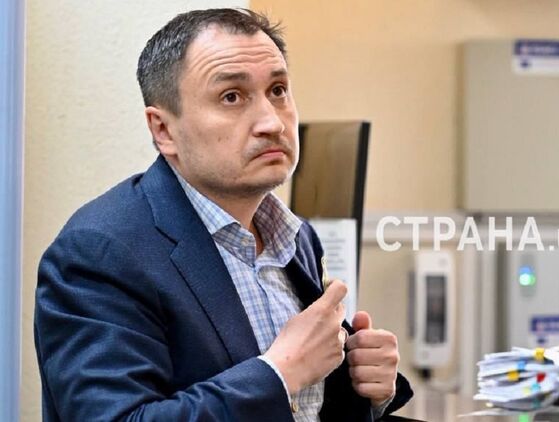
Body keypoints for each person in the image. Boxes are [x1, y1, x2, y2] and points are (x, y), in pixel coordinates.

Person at [34, 8, 412, 421]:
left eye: (278, 90)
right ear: (163, 130)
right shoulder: (98, 252)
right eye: (232, 97)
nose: (271, 122)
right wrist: (279, 373)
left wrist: (366, 387)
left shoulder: (296, 235)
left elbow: (306, 405)